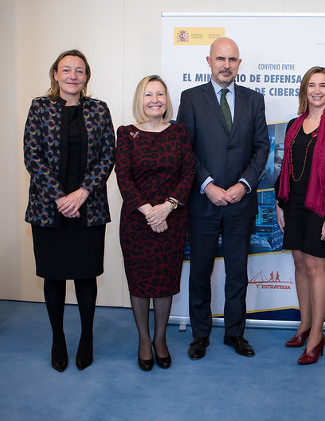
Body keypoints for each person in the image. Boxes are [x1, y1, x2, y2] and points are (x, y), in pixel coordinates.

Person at [176, 37, 269, 359]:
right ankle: (200, 335)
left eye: (232, 60)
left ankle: (235, 333)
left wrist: (244, 185)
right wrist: (207, 185)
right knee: (200, 272)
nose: (226, 65)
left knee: (237, 273)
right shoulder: (191, 99)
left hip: (240, 203)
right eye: (220, 59)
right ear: (209, 61)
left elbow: (261, 148)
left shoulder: (254, 100)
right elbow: (184, 148)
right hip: (203, 202)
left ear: (239, 63)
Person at [23, 50, 115, 372]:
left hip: (89, 208)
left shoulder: (99, 110)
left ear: (86, 76)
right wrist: (61, 198)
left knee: (86, 275)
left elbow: (108, 155)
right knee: (54, 275)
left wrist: (82, 192)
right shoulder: (40, 107)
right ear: (55, 74)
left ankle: (87, 338)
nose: (73, 76)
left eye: (79, 70)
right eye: (66, 70)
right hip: (48, 209)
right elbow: (32, 156)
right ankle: (58, 339)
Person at [115, 75, 195, 371]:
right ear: (140, 99)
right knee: (139, 283)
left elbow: (189, 173)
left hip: (172, 220)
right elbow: (123, 177)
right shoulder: (126, 133)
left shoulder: (179, 132)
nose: (155, 100)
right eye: (148, 94)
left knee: (164, 282)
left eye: (160, 94)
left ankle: (160, 339)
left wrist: (167, 207)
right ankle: (144, 340)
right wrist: (150, 212)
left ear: (166, 99)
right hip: (137, 221)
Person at [275, 66, 325, 365]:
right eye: (311, 85)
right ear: (304, 90)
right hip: (293, 203)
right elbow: (286, 167)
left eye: (322, 85)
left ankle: (317, 336)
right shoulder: (294, 124)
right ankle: (304, 325)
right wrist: (280, 204)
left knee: (315, 267)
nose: (317, 91)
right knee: (299, 263)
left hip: (322, 206)